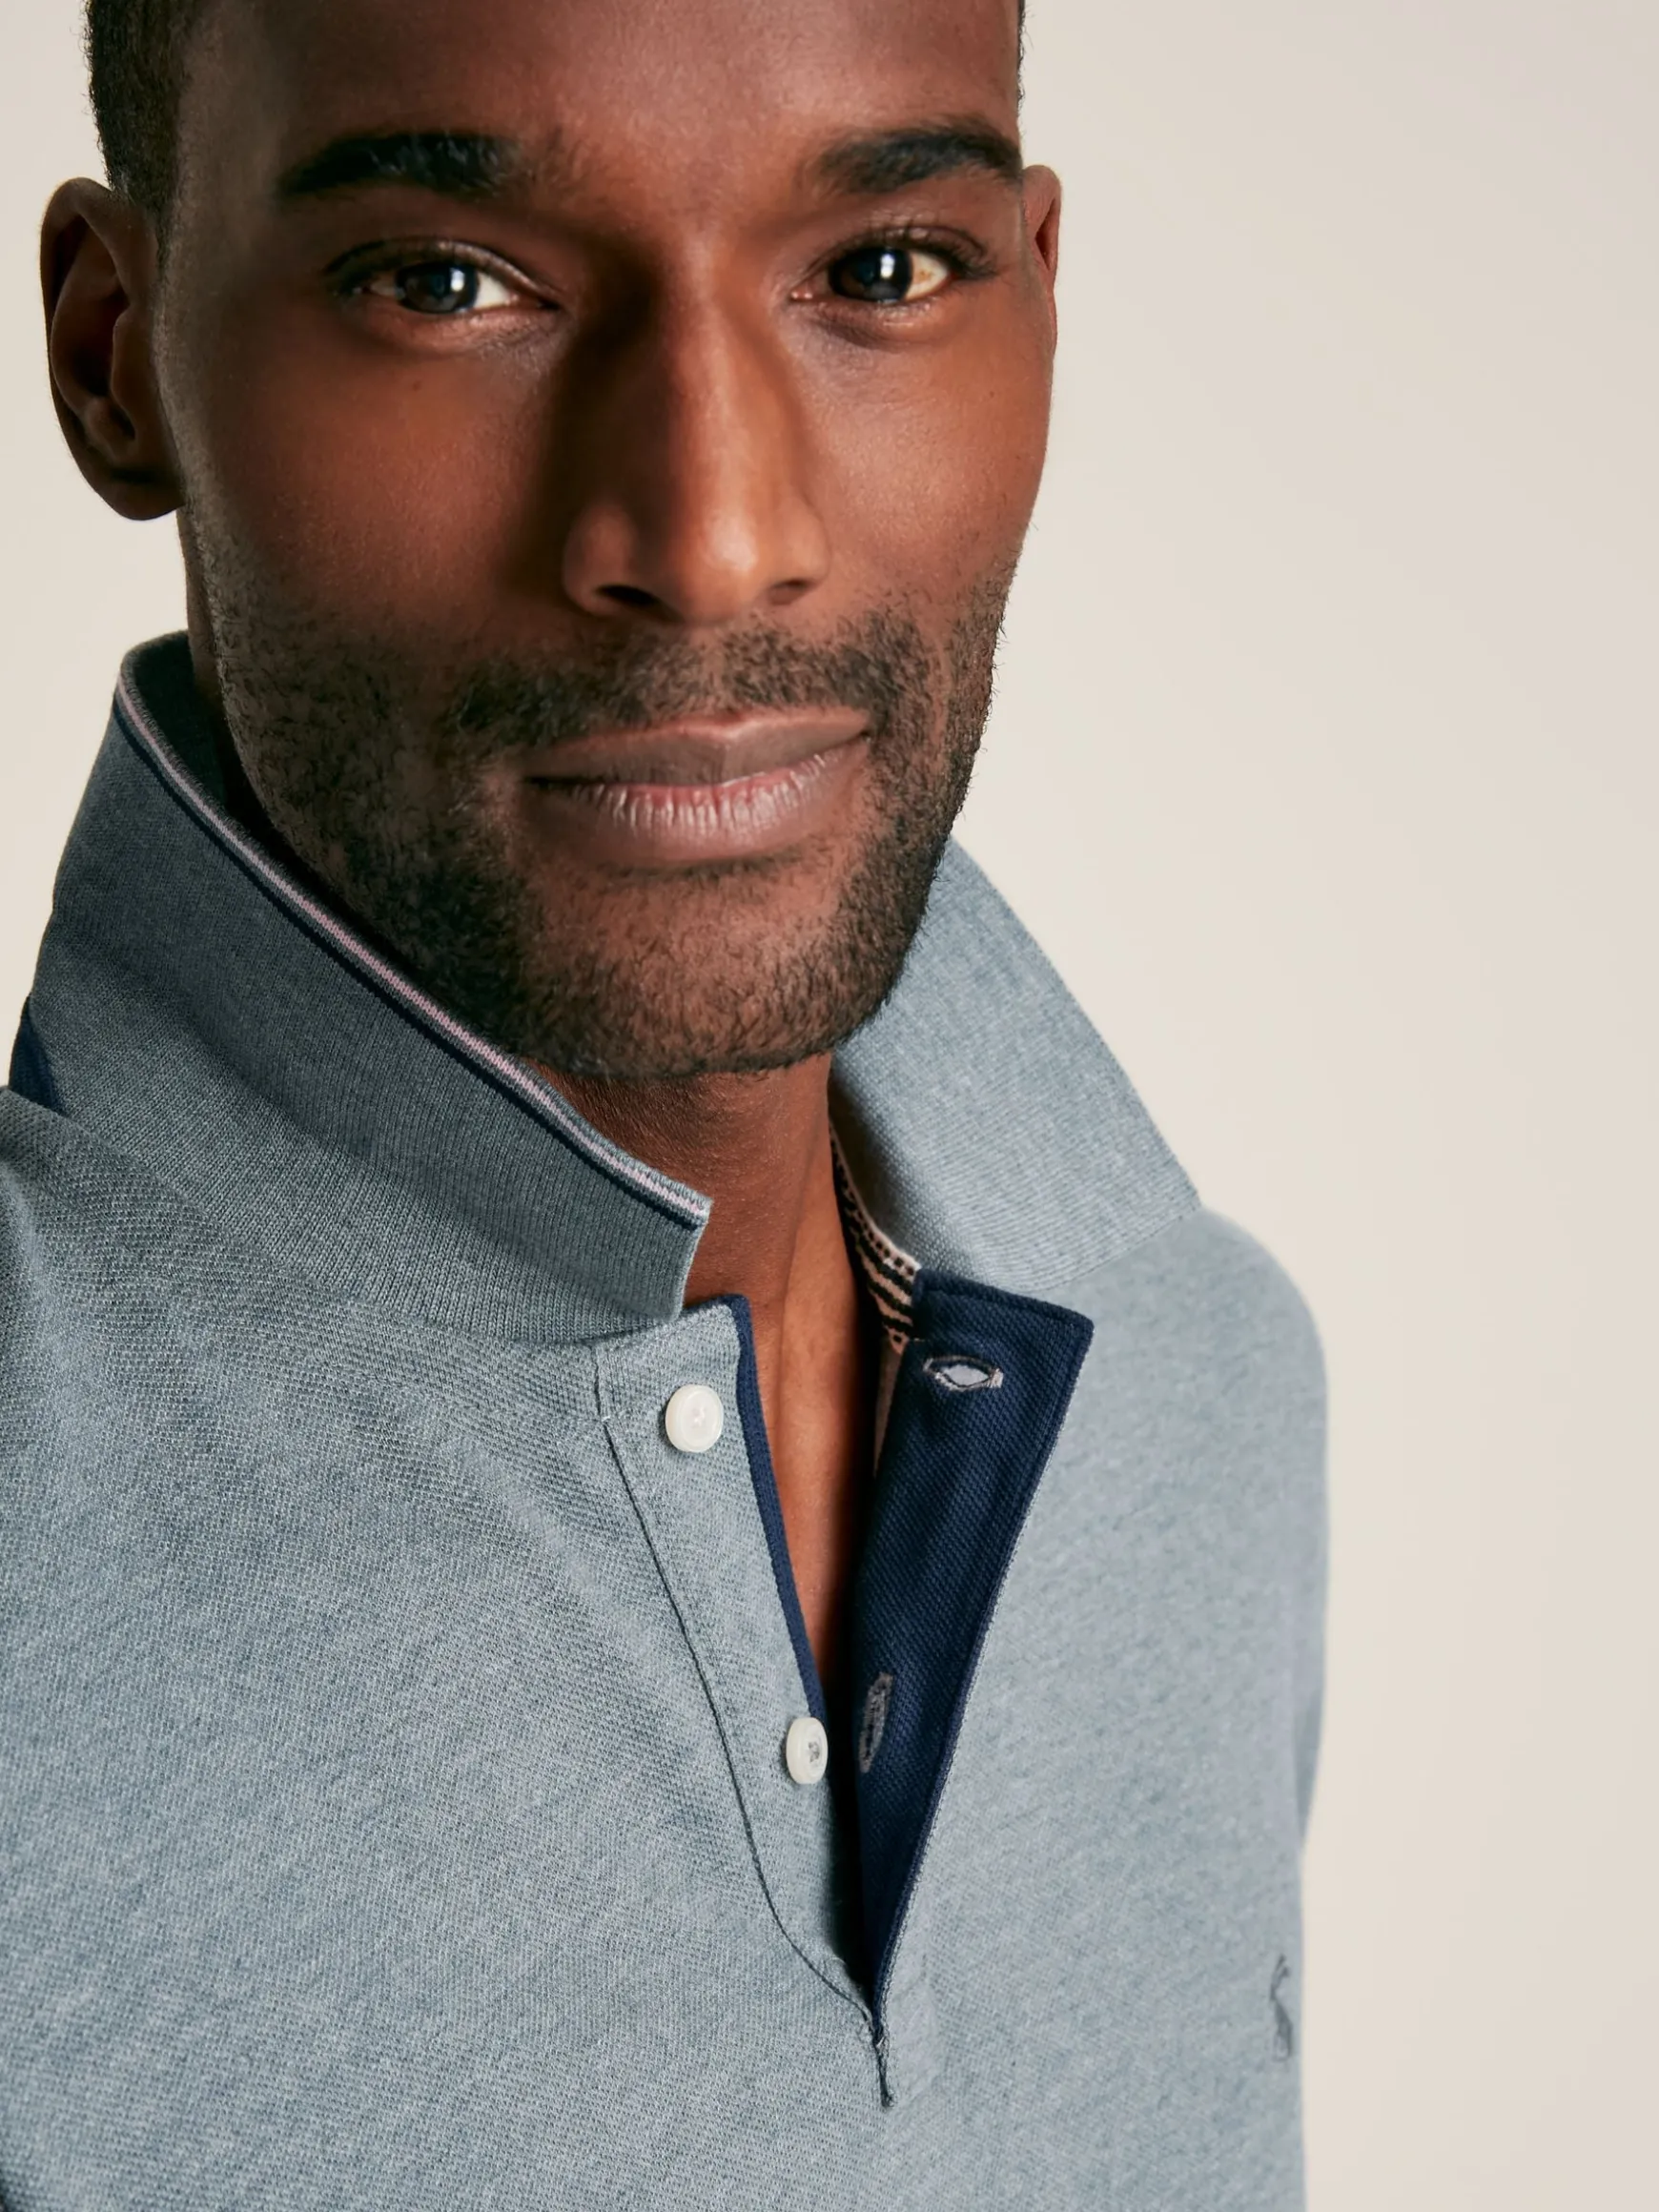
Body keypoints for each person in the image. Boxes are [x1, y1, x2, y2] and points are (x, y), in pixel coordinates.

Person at [0, 0, 1326, 2202]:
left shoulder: (1203, 1371)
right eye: (447, 282)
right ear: (117, 357)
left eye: (882, 268)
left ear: (1040, 298)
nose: (713, 536)